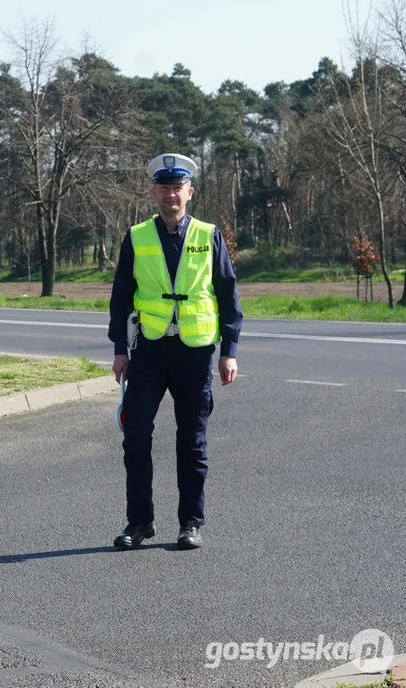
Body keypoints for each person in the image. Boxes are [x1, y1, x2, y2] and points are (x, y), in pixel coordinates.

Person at [107, 153, 242, 551]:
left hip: (195, 352)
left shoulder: (208, 234)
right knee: (134, 436)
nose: (171, 194)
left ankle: (191, 524)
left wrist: (229, 350)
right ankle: (139, 522)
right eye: (163, 187)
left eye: (177, 187)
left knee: (192, 441)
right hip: (148, 350)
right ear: (154, 192)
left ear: (189, 191)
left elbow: (227, 294)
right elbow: (120, 297)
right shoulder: (136, 236)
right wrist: (119, 349)